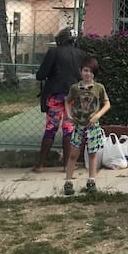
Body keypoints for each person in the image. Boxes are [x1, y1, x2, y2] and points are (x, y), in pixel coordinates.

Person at [32, 27, 85, 172]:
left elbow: (41, 75)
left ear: (60, 39)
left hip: (55, 96)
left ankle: (40, 165)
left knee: (51, 129)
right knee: (68, 130)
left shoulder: (53, 52)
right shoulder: (81, 54)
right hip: (73, 97)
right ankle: (67, 165)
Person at [62, 57, 111, 195]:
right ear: (81, 71)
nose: (88, 74)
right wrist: (69, 114)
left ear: (94, 74)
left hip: (93, 126)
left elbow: (107, 104)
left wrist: (97, 115)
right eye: (85, 70)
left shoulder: (99, 88)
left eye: (91, 71)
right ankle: (68, 182)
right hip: (78, 126)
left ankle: (91, 181)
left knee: (92, 154)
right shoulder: (75, 88)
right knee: (73, 154)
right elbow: (67, 101)